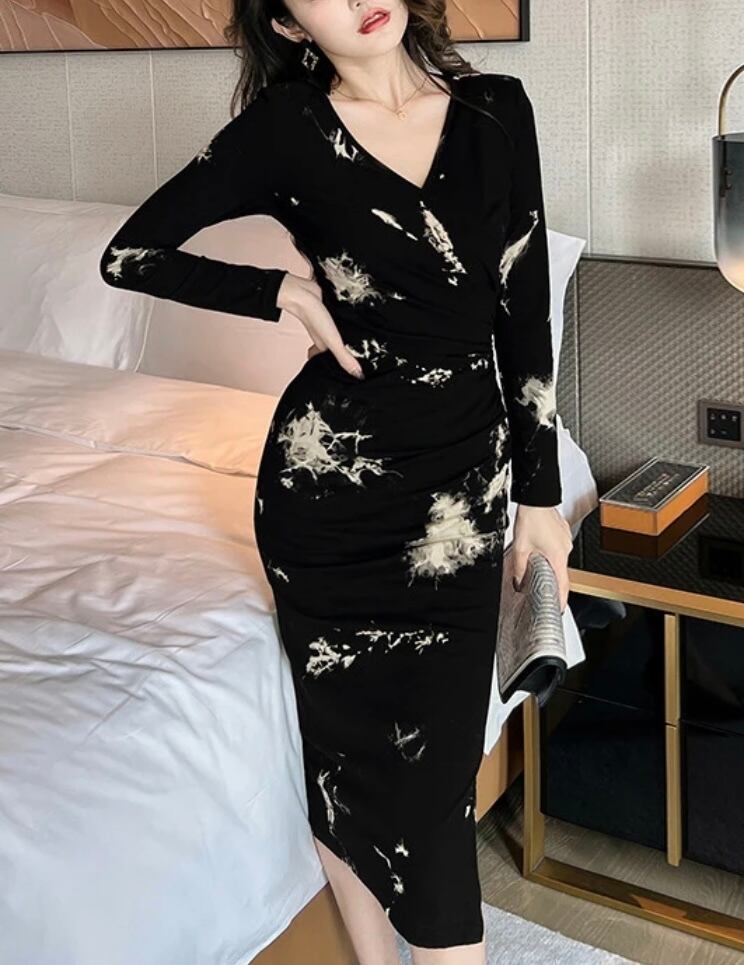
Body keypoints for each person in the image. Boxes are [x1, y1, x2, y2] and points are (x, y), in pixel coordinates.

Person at [98, 1, 573, 961]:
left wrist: (541, 495)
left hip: (459, 499)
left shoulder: (498, 111)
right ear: (286, 26)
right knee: (342, 762)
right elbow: (129, 254)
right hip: (327, 502)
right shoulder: (287, 131)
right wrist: (279, 293)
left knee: (433, 789)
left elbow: (524, 321)